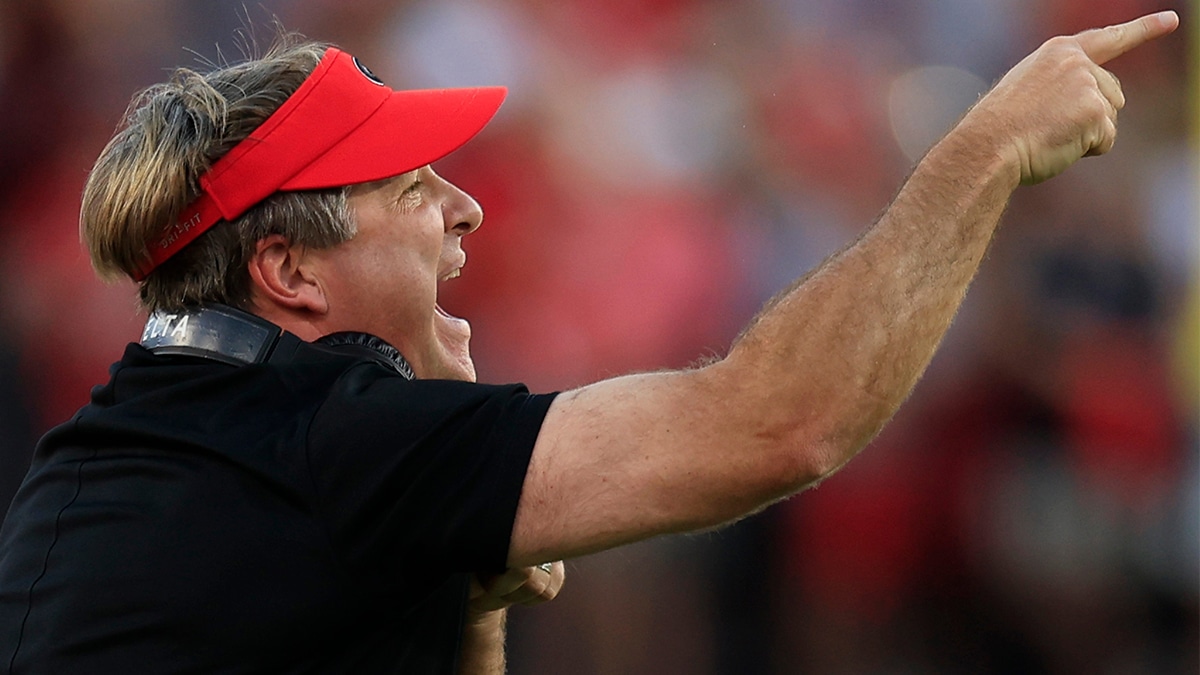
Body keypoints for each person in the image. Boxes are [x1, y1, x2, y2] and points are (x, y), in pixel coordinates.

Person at [0, 9, 1179, 675]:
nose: (465, 208)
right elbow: (781, 424)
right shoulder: (336, 434)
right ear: (290, 272)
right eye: (409, 187)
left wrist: (467, 597)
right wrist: (985, 154)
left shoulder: (106, 455)